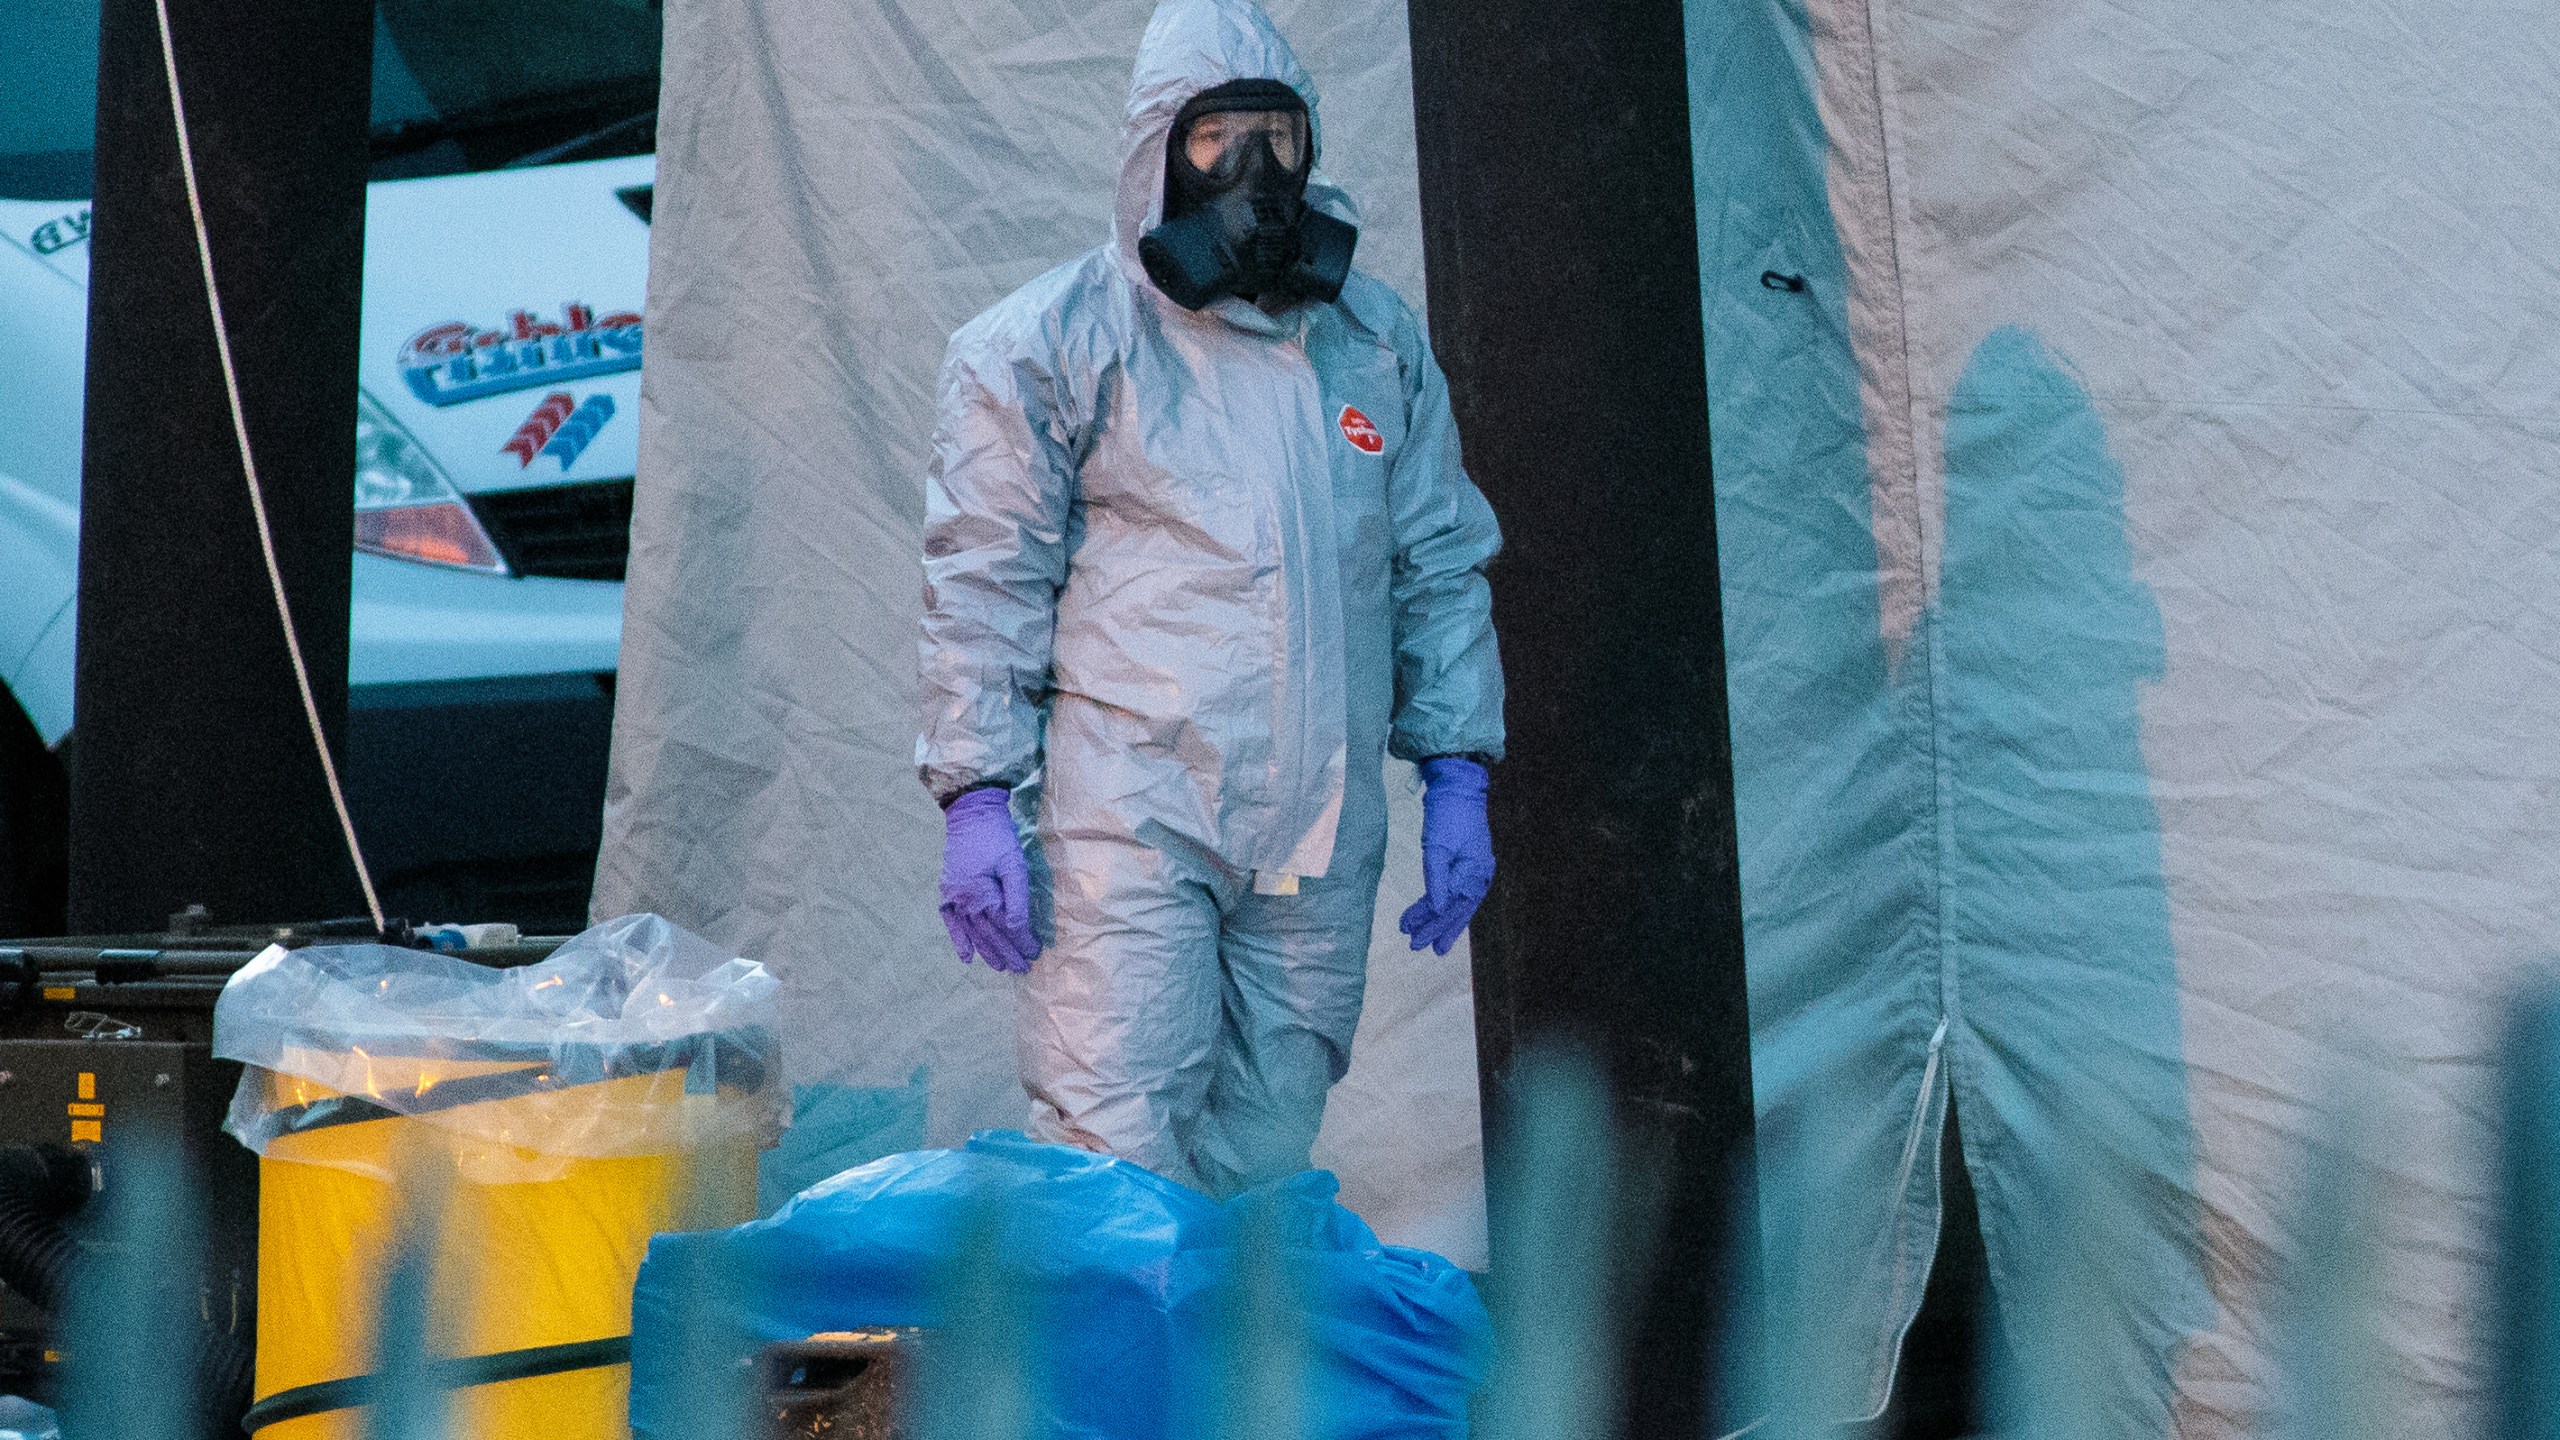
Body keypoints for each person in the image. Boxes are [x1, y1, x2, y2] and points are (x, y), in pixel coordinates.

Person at [916, 0, 1504, 1197]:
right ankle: (1130, 1389)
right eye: (1214, 139)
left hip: (1319, 832)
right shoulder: (1050, 345)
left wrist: (1458, 768)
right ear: (1154, 153)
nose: (1254, 172)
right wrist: (976, 789)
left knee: (1267, 1152)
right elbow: (987, 574)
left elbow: (1435, 564)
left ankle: (1233, 1391)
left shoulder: (1373, 342)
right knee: (1114, 1147)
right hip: (1134, 820)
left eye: (1279, 140)